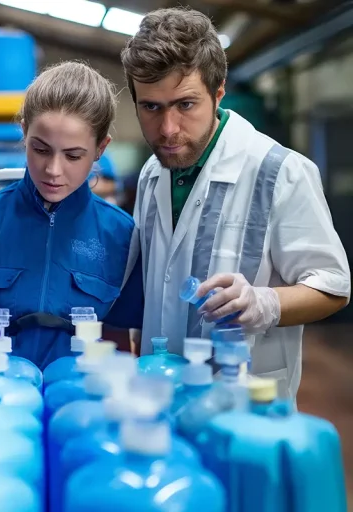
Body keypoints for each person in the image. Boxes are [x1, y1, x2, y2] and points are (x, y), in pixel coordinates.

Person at [123, 8, 350, 398]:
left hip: (243, 406)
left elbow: (334, 286)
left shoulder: (280, 172)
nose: (168, 129)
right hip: (160, 398)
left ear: (218, 92)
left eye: (186, 104)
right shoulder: (151, 173)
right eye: (151, 107)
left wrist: (265, 302)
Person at [0, 61, 144, 369]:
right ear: (24, 131)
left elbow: (119, 343)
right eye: (40, 150)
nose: (53, 170)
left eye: (74, 155)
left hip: (81, 403)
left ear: (101, 148)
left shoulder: (122, 236)